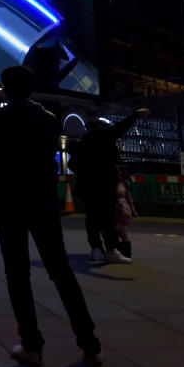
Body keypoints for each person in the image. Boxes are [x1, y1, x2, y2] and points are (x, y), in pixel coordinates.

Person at [0, 65, 103, 367]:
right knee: (60, 269)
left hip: (9, 202)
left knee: (17, 272)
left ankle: (31, 344)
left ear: (4, 88)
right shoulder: (49, 121)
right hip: (42, 202)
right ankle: (89, 342)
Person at [66, 109, 150, 264]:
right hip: (104, 185)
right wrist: (135, 115)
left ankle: (96, 249)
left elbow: (72, 164)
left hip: (87, 187)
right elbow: (119, 129)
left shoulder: (81, 143)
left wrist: (85, 174)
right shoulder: (103, 138)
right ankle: (111, 249)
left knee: (92, 217)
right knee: (107, 218)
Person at [114, 164, 137, 258]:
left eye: (120, 171)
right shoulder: (116, 182)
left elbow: (129, 197)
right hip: (116, 207)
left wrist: (133, 209)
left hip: (121, 208)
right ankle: (121, 249)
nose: (119, 173)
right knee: (117, 229)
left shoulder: (124, 183)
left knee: (120, 229)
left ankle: (124, 250)